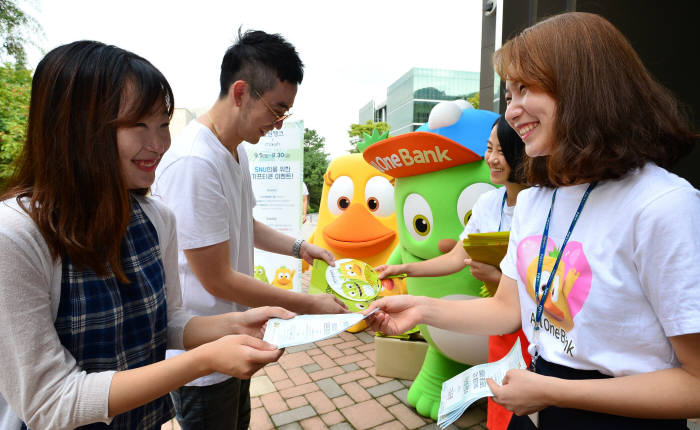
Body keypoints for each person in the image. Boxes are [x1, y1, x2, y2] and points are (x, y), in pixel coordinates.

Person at [367, 12, 699, 430]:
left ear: (584, 88)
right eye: (508, 96)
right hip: (536, 403)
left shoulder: (663, 206)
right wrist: (419, 309)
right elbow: (507, 310)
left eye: (525, 89)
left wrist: (554, 391)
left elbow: (695, 385)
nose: (511, 113)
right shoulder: (534, 202)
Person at [0, 41, 294, 430]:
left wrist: (237, 325)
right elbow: (50, 401)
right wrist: (205, 359)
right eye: (139, 124)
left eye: (162, 123)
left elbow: (168, 320)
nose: (160, 144)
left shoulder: (156, 219)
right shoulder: (18, 237)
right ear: (75, 126)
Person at [152, 29, 346, 430]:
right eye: (276, 109)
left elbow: (245, 222)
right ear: (240, 93)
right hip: (204, 355)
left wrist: (300, 248)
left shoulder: (235, 148)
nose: (278, 124)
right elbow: (218, 279)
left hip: (235, 338)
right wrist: (307, 304)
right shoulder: (194, 162)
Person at [375, 115, 530, 430]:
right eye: (488, 149)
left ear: (522, 153)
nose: (491, 159)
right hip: (500, 324)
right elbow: (456, 258)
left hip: (533, 330)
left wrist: (496, 279)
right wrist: (403, 268)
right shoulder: (488, 203)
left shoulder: (542, 204)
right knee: (501, 413)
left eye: (501, 151)